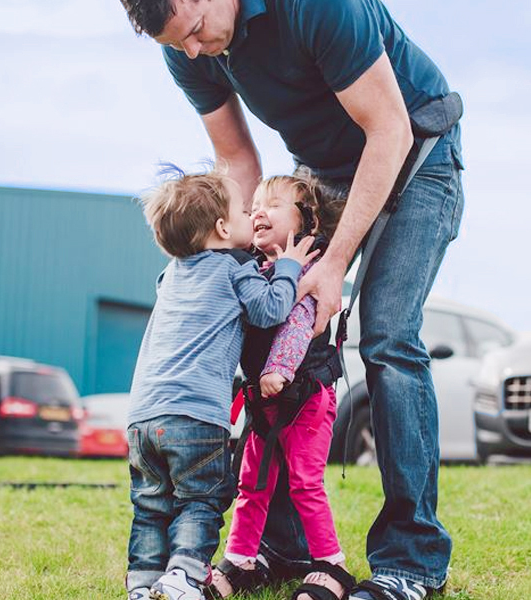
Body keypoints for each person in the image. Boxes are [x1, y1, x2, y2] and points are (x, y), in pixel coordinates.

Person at [119, 2, 465, 599]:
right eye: (179, 46)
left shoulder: (314, 6)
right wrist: (224, 265)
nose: (195, 52)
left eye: (197, 31)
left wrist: (332, 266)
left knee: (385, 335)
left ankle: (413, 562)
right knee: (266, 326)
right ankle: (277, 549)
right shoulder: (190, 49)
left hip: (412, 153)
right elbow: (237, 162)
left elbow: (389, 129)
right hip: (316, 176)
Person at [126, 166, 320, 600]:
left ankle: (142, 585)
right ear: (220, 227)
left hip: (142, 418)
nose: (252, 216)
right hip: (196, 415)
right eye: (243, 210)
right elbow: (270, 310)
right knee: (201, 501)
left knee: (151, 507)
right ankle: (184, 577)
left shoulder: (170, 275)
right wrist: (288, 267)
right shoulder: (235, 268)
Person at [210, 173, 351, 600]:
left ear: (307, 222)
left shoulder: (311, 267)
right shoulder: (257, 269)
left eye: (272, 204)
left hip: (303, 398)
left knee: (305, 481)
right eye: (255, 205)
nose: (258, 212)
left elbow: (299, 320)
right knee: (251, 484)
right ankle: (241, 557)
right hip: (262, 403)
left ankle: (330, 564)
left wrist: (280, 369)